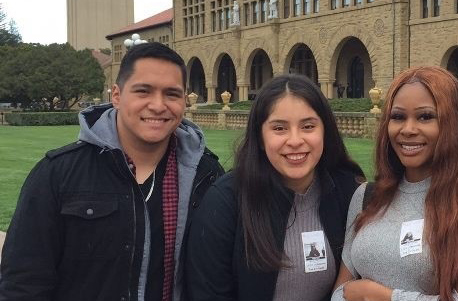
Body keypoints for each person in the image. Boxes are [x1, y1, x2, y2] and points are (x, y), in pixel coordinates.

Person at [0, 42, 224, 301]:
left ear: (184, 100)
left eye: (172, 94)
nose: (158, 105)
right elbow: (23, 282)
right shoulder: (58, 174)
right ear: (116, 96)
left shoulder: (205, 174)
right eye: (143, 91)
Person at [185, 74, 364, 301]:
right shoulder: (226, 201)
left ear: (325, 131)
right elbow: (207, 292)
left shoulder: (349, 192)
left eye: (308, 126)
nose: (295, 140)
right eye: (279, 129)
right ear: (260, 137)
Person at [332, 66, 458, 301]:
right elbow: (342, 290)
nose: (408, 129)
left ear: (452, 125)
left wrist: (383, 296)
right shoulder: (367, 196)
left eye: (425, 117)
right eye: (398, 117)